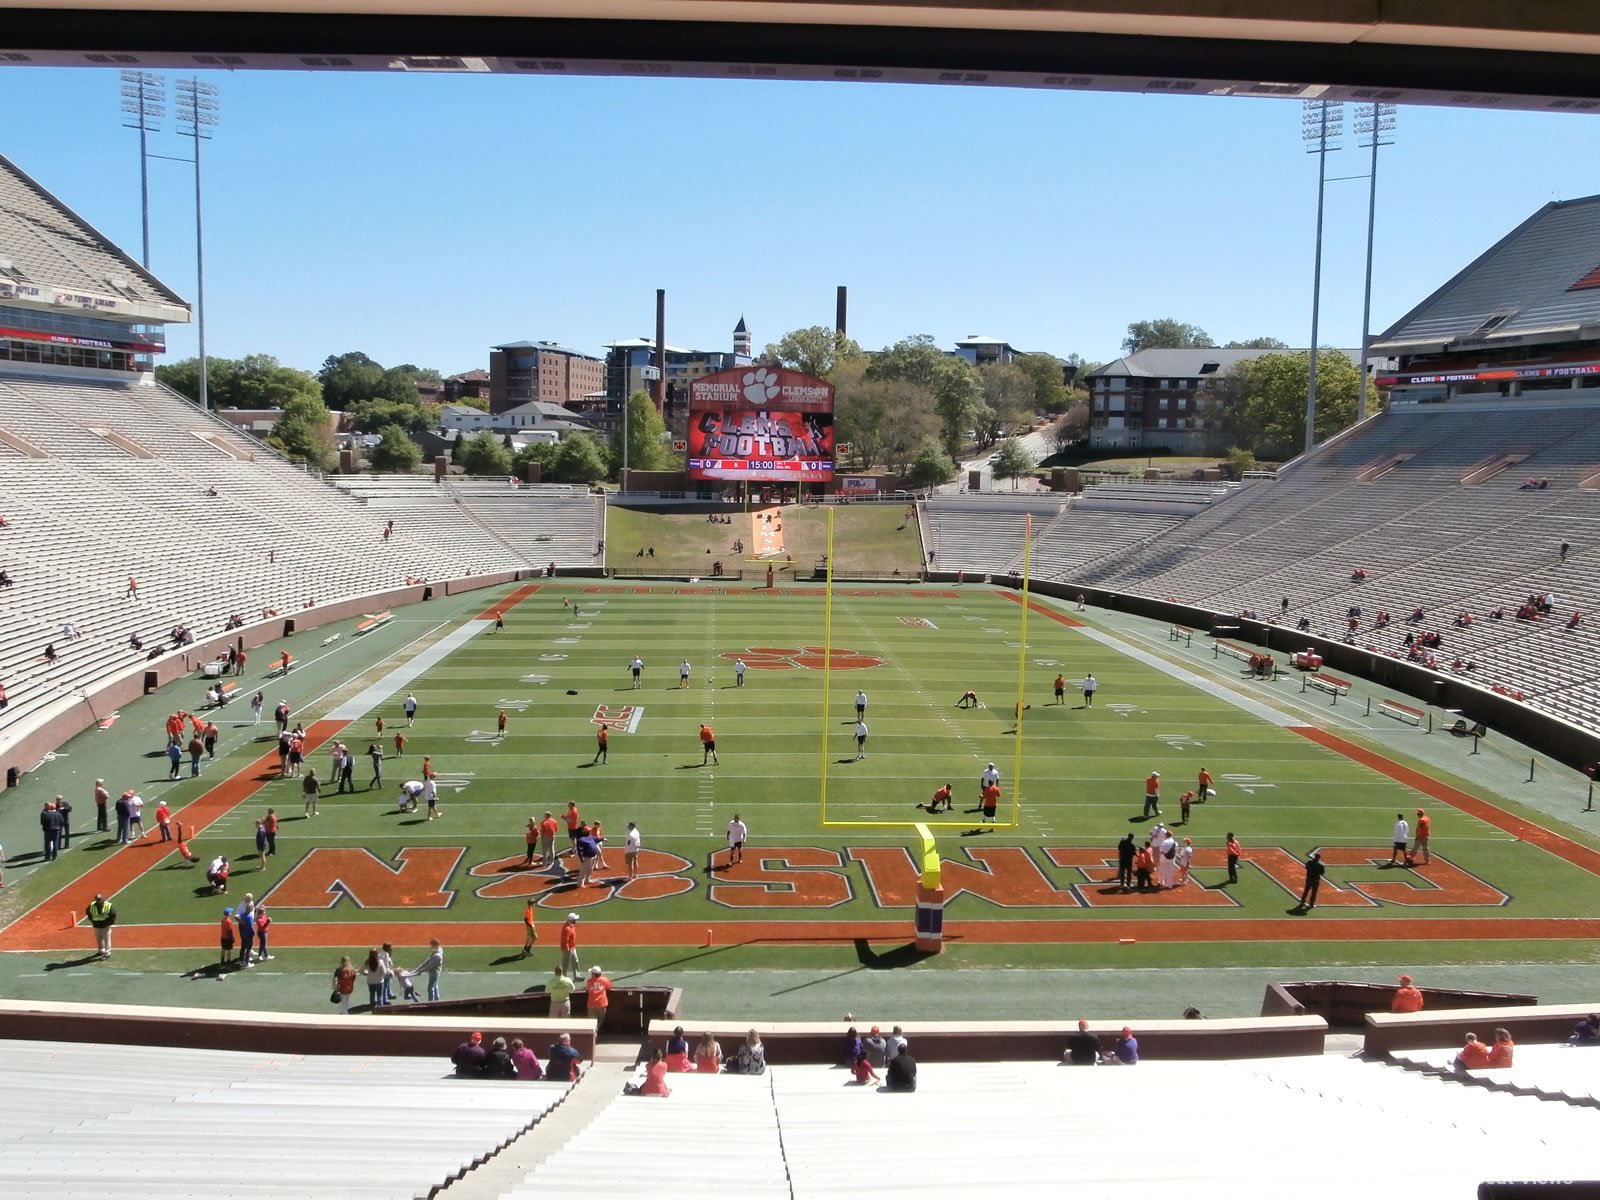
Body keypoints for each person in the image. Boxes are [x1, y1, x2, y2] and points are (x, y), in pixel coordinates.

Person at [86, 893, 116, 959]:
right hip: (97, 925)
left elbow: (113, 914)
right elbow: (88, 913)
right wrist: (93, 921)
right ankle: (101, 950)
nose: (99, 901)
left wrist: (109, 923)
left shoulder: (108, 905)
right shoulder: (92, 906)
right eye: (97, 900)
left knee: (107, 938)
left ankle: (107, 953)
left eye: (100, 899)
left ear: (103, 899)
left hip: (106, 925)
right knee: (98, 938)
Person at [559, 912, 581, 977]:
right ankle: (563, 977)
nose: (576, 921)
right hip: (567, 948)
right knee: (565, 964)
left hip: (572, 947)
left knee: (575, 961)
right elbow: (565, 940)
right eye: (575, 920)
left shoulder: (572, 926)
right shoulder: (566, 928)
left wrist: (572, 947)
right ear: (571, 920)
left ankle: (577, 976)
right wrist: (568, 949)